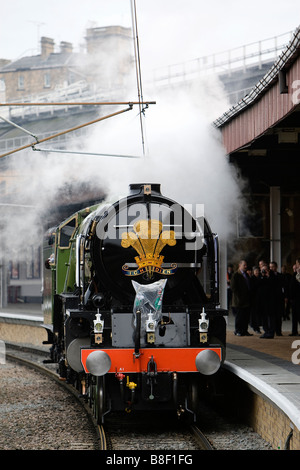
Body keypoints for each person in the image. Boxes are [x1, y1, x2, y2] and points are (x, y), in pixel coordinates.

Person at [230, 260, 252, 336]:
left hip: (246, 300)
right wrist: (239, 296)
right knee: (239, 317)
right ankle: (238, 330)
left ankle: (244, 330)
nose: (246, 267)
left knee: (246, 317)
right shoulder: (235, 275)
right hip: (238, 301)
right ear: (240, 265)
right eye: (244, 265)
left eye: (246, 265)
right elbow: (233, 287)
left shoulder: (246, 274)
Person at [258, 264, 276, 338]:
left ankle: (271, 332)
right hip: (263, 302)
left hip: (270, 301)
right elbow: (258, 285)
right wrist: (262, 276)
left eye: (265, 270)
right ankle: (266, 331)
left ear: (268, 270)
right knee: (264, 317)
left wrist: (268, 276)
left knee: (271, 317)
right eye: (263, 270)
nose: (264, 271)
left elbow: (273, 286)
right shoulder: (260, 277)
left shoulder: (272, 277)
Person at [269, 261, 285, 336]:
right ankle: (272, 330)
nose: (271, 268)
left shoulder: (280, 276)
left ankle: (278, 331)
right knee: (272, 316)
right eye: (270, 267)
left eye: (272, 267)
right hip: (271, 299)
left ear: (276, 267)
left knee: (279, 316)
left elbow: (283, 286)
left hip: (279, 299)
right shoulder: (268, 276)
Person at [289, 258, 300, 336]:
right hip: (294, 298)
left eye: (296, 263)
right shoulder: (294, 274)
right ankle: (294, 331)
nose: (296, 265)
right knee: (294, 316)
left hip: (299, 298)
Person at [249, 266, 261, 334]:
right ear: (253, 272)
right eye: (255, 271)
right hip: (253, 299)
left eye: (257, 271)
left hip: (259, 299)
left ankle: (257, 326)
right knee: (254, 314)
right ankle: (255, 327)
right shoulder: (251, 279)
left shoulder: (260, 278)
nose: (257, 272)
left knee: (258, 314)